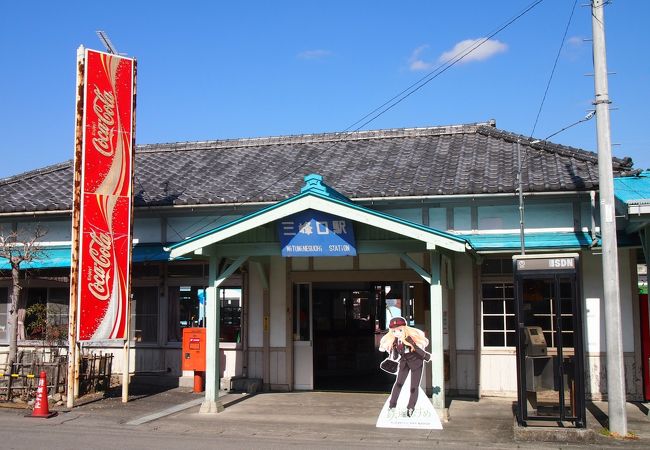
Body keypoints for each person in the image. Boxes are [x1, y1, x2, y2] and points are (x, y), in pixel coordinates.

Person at [379, 316, 431, 417]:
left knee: (413, 386)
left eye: (399, 330)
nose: (396, 333)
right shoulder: (395, 341)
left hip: (416, 362)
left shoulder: (409, 338)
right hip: (404, 362)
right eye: (394, 331)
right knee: (398, 384)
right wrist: (388, 349)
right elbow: (395, 355)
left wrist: (427, 356)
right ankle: (392, 406)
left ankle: (411, 407)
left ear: (404, 329)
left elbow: (417, 349)